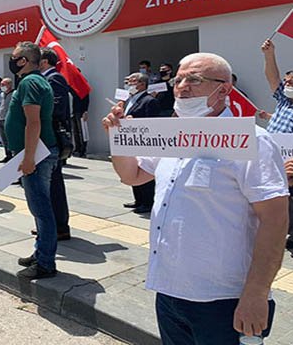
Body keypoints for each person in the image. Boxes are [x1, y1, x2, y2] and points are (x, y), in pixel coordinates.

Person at [102, 52, 289, 344]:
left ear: (224, 89)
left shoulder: (252, 140)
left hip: (222, 300)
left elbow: (275, 219)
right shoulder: (171, 135)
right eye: (178, 79)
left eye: (194, 79)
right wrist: (117, 137)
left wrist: (256, 293)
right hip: (168, 293)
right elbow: (133, 175)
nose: (182, 87)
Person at [5, 42, 59, 280]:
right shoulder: (34, 81)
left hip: (36, 154)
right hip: (35, 152)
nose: (12, 60)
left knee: (42, 209)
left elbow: (33, 122)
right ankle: (40, 253)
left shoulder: (29, 82)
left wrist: (28, 158)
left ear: (24, 61)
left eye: (15, 57)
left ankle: (46, 263)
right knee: (39, 209)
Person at [39, 48, 73, 241]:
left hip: (52, 139)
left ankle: (60, 225)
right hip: (44, 139)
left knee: (54, 185)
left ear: (44, 62)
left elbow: (57, 108)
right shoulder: (46, 79)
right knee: (46, 183)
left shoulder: (55, 79)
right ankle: (49, 225)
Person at [122, 72, 160, 214]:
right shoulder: (129, 99)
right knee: (134, 169)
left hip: (144, 142)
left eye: (132, 81)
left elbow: (152, 122)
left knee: (145, 170)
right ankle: (138, 199)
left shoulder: (149, 100)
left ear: (142, 84)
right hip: (131, 141)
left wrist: (135, 121)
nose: (129, 84)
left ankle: (148, 202)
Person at [261, 39, 293, 133]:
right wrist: (269, 54)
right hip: (272, 145)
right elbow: (273, 77)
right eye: (285, 82)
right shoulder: (283, 99)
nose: (287, 84)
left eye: (291, 82)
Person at [0, 78, 14, 163]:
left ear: (9, 85)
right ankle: (7, 155)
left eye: (4, 84)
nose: (1, 86)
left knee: (10, 139)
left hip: (9, 119)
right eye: (1, 84)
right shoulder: (2, 94)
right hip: (0, 118)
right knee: (4, 140)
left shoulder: (14, 93)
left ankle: (13, 155)